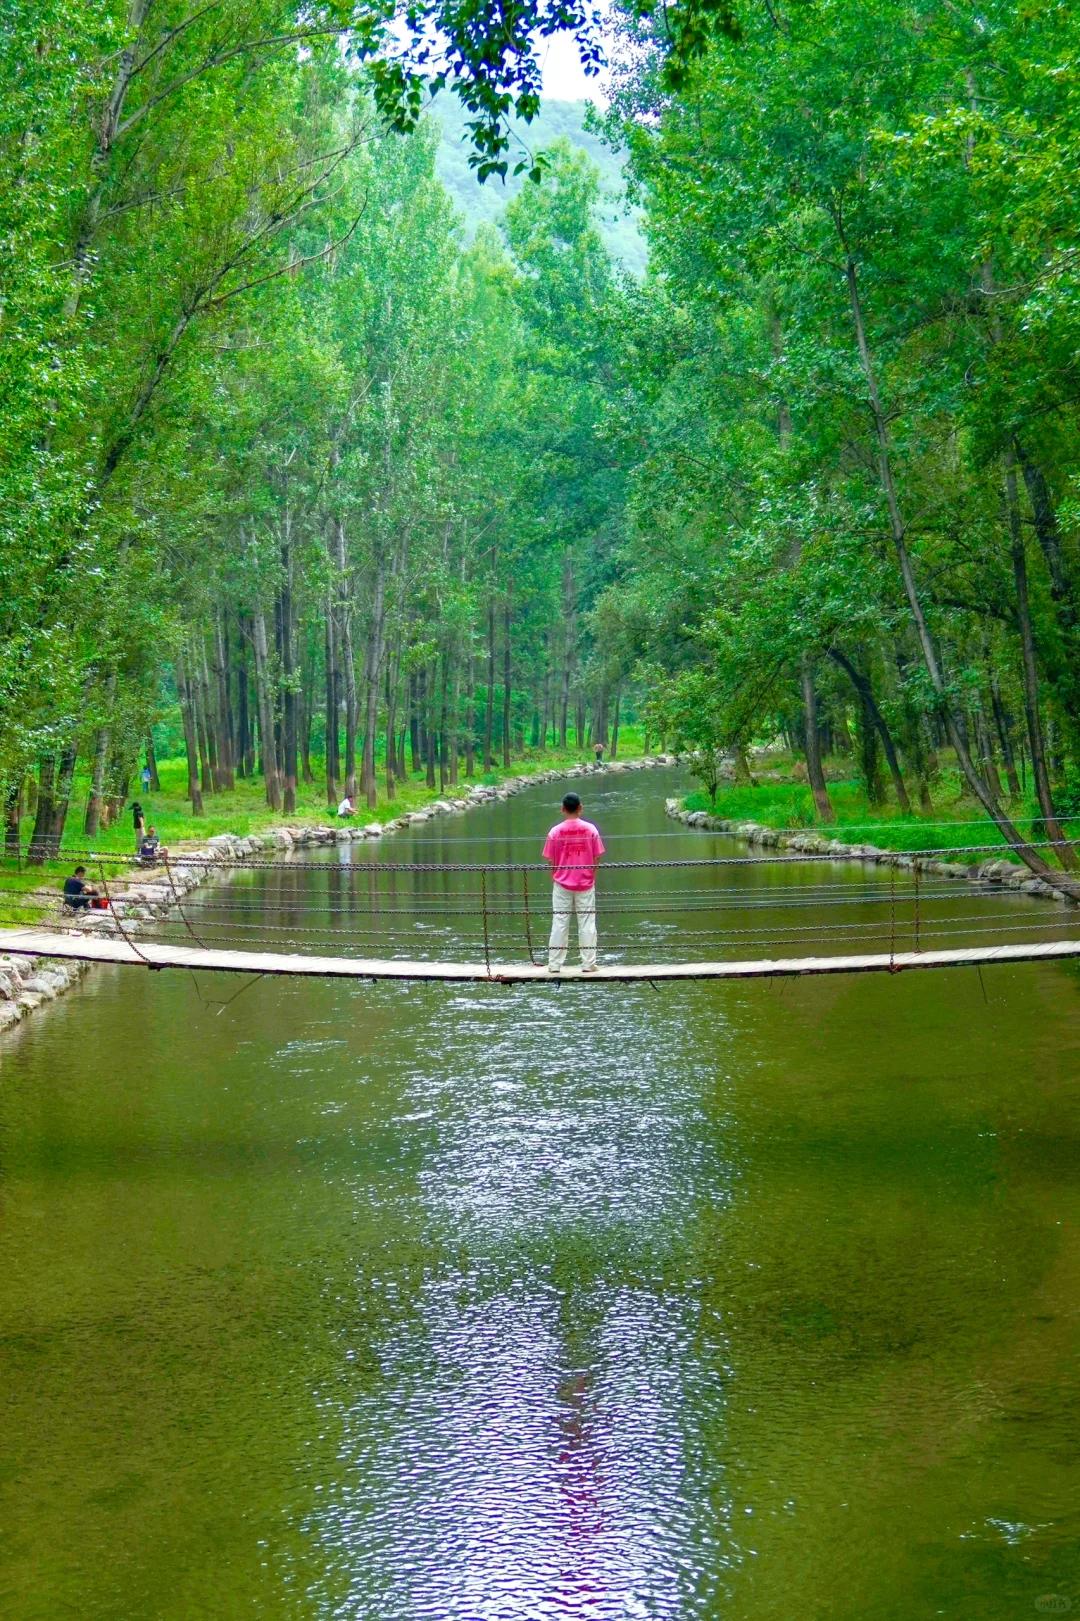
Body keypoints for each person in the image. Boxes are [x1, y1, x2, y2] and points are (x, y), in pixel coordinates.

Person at [543, 792, 605, 975]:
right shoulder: (591, 830)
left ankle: (554, 965)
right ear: (580, 808)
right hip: (585, 882)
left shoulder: (554, 832)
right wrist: (591, 875)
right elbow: (597, 857)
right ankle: (588, 964)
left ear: (563, 809)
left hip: (561, 883)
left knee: (560, 923)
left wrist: (554, 876)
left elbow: (550, 861)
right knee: (587, 924)